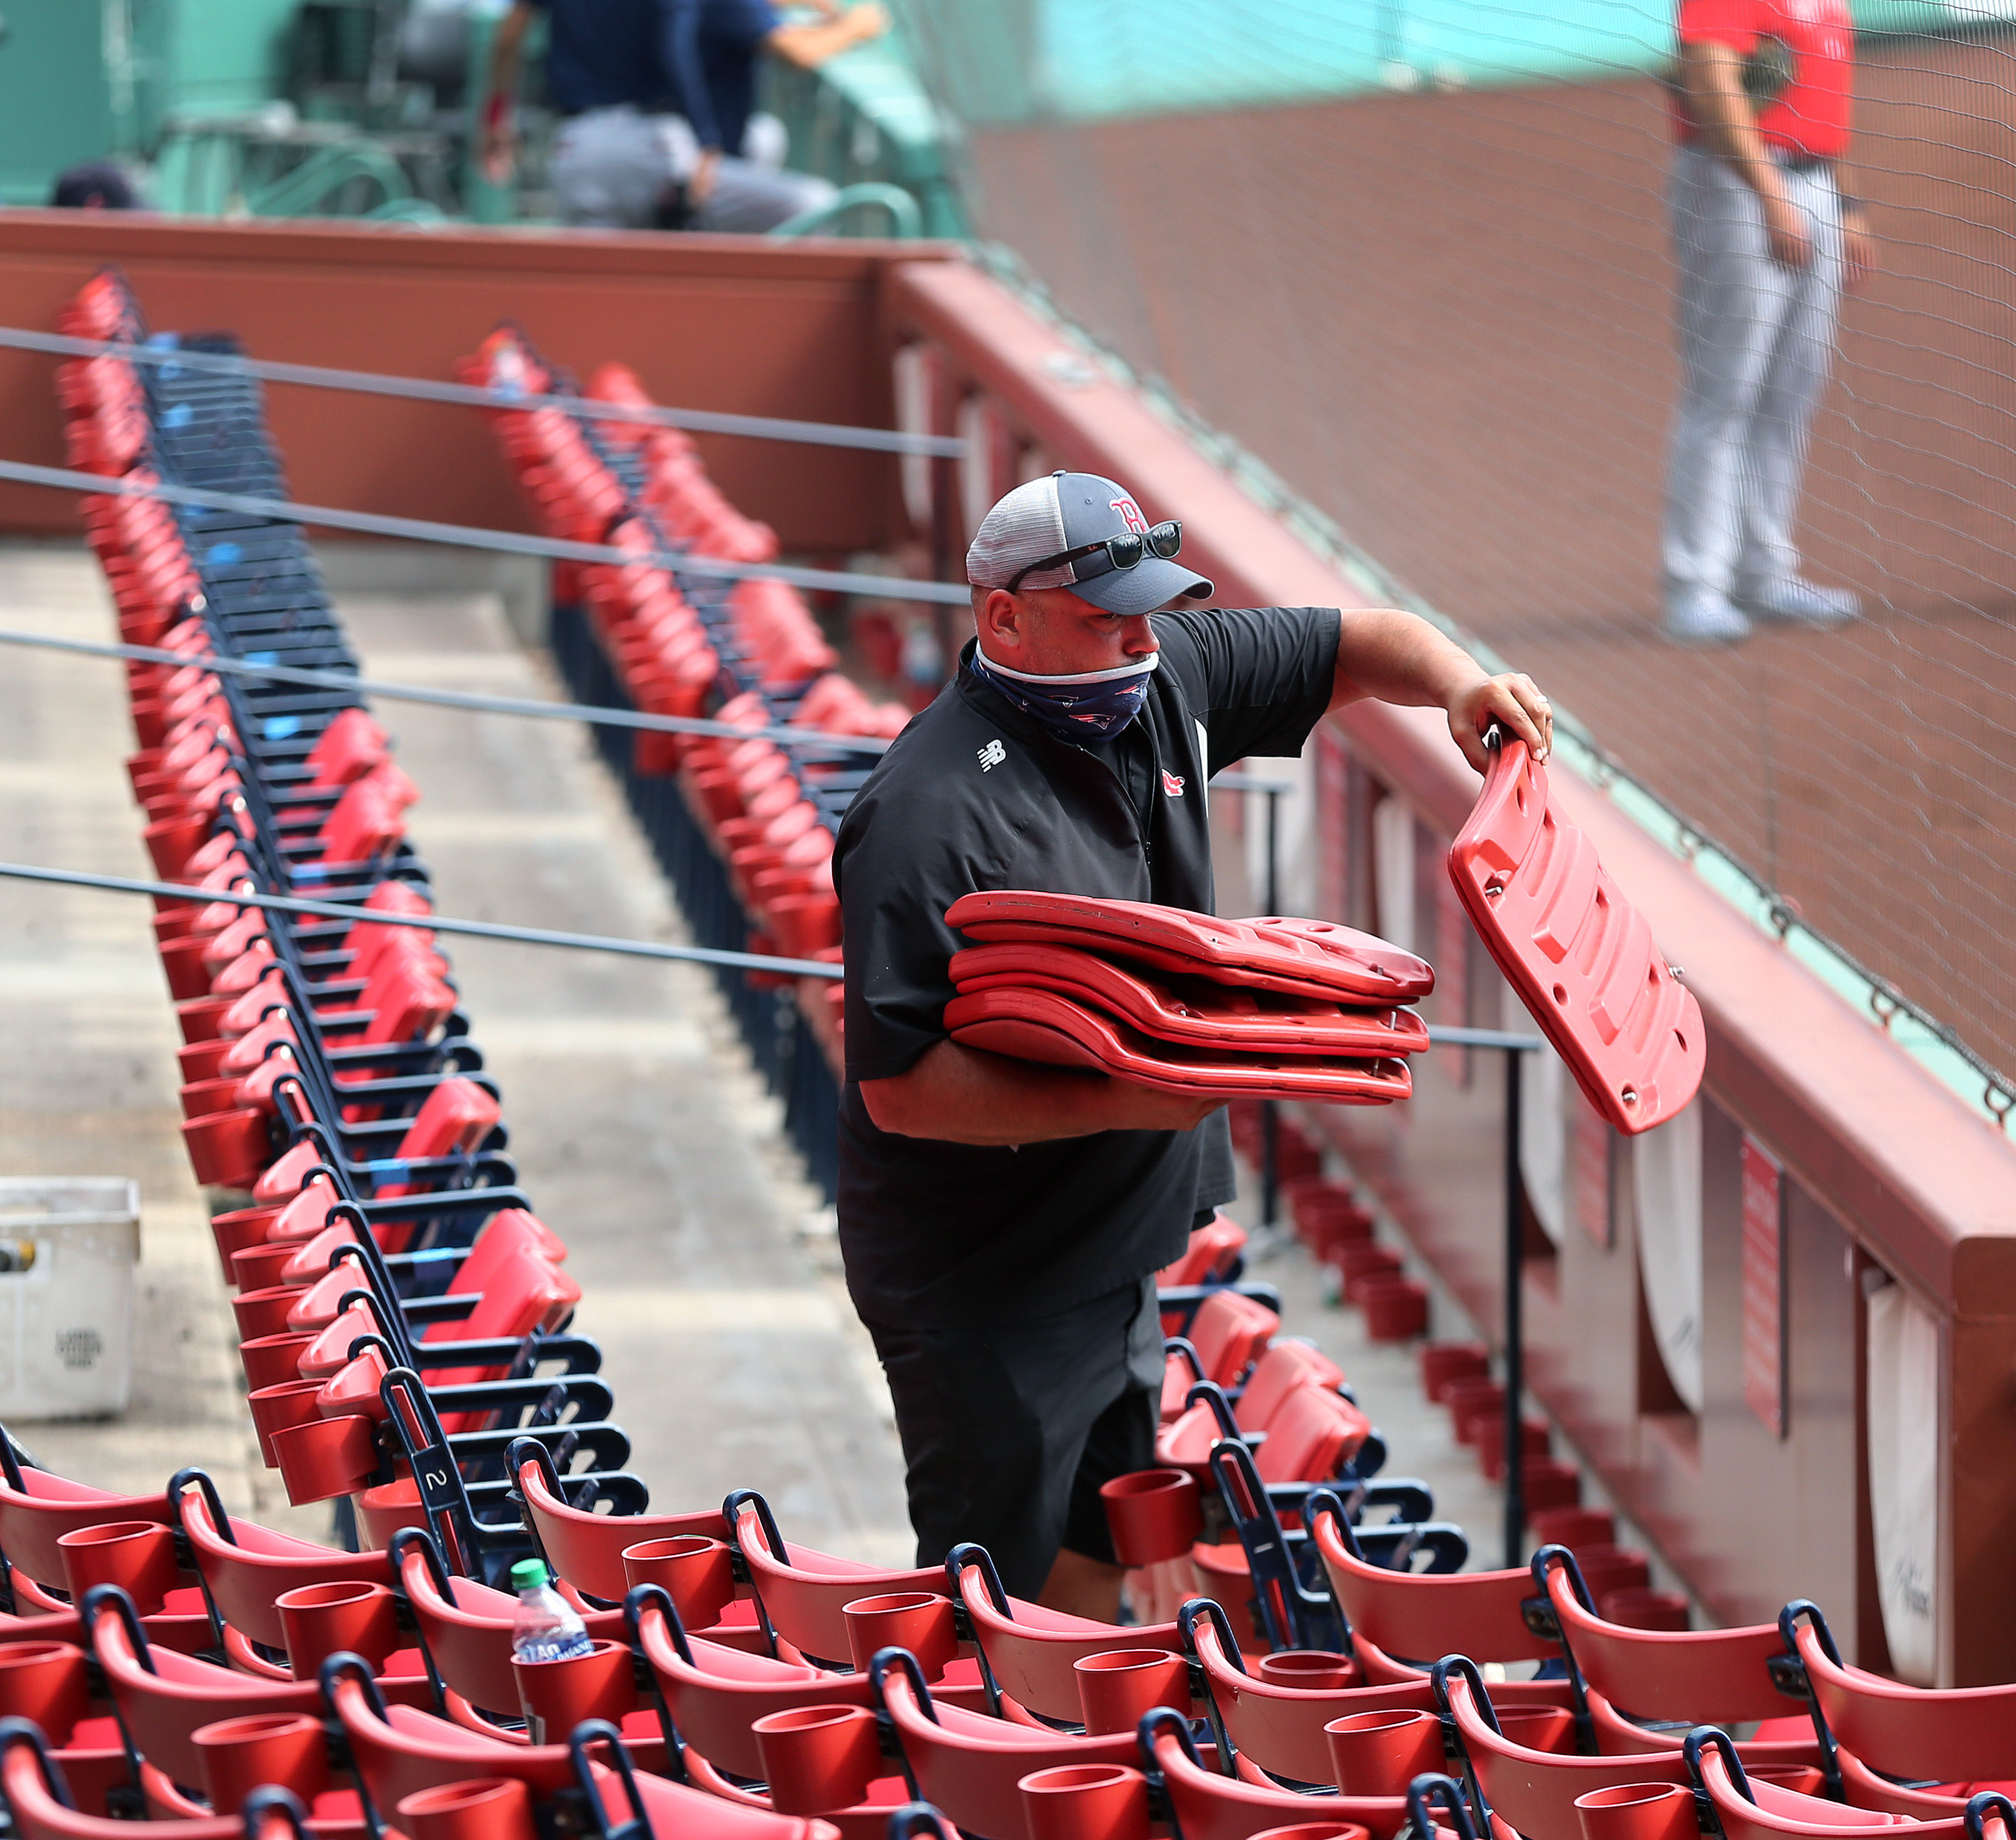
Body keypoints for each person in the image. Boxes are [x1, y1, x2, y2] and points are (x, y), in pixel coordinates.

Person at [832, 471, 1554, 1618]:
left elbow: (1357, 643)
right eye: (1101, 619)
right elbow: (904, 1090)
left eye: (1146, 612)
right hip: (980, 1276)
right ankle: (994, 1770)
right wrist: (1134, 1094)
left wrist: (1460, 685)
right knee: (992, 1601)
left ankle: (1073, 1744)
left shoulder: (1164, 676)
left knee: (1103, 1538)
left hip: (1113, 1242)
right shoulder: (923, 814)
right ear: (1001, 617)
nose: (1134, 641)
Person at [1659, 0, 1875, 646]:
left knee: (1792, 389)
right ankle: (1696, 586)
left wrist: (1848, 202)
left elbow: (1819, 98)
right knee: (1724, 390)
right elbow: (1708, 76)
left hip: (1814, 181)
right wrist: (1768, 193)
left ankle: (1762, 571)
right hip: (1738, 181)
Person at [480, 0, 885, 233]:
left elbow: (510, 33)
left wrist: (498, 120)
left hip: (574, 151)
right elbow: (674, 47)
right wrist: (706, 138)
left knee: (595, 315)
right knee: (814, 205)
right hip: (649, 153)